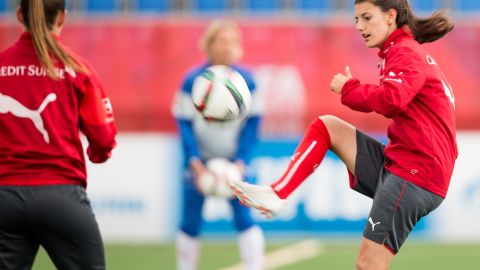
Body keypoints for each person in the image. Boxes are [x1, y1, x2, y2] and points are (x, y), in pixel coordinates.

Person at [231, 0, 457, 269]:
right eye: (356, 19)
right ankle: (278, 193)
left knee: (368, 265)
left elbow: (392, 100)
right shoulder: (401, 51)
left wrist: (350, 89)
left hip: (416, 173)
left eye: (366, 17)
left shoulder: (405, 52)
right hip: (403, 165)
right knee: (327, 127)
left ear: (390, 16)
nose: (360, 26)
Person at [0, 0, 117, 269]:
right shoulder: (78, 68)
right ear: (63, 17)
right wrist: (98, 154)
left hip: (4, 197)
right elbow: (104, 136)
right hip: (61, 197)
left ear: (20, 15)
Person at [172, 20, 264, 270]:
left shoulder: (248, 80)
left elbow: (254, 123)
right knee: (190, 221)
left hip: (235, 162)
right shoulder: (192, 80)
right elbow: (183, 123)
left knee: (244, 217)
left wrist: (241, 161)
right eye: (221, 41)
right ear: (208, 45)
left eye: (232, 42)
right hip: (199, 163)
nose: (227, 47)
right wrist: (195, 162)